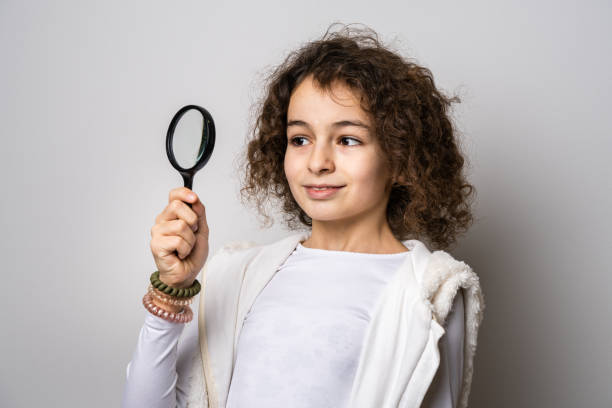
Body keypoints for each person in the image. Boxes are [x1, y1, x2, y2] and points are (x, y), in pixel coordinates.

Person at [121, 23, 484, 408]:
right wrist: (171, 288)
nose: (317, 162)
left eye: (347, 140)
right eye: (300, 139)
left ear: (401, 159)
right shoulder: (236, 274)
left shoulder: (429, 291)